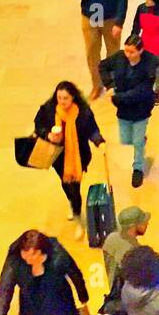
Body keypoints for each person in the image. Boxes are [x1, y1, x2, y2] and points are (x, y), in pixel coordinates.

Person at [33, 80, 105, 231]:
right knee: (66, 184)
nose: (62, 101)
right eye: (59, 98)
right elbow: (38, 125)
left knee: (74, 187)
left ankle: (77, 214)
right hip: (58, 156)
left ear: (73, 97)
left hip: (78, 155)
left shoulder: (83, 112)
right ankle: (73, 204)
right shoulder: (49, 109)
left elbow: (92, 129)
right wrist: (48, 134)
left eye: (65, 98)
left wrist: (99, 141)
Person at [68, 0, 128, 100]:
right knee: (92, 52)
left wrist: (119, 22)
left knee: (113, 53)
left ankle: (113, 84)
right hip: (91, 15)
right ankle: (97, 85)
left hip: (110, 17)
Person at [100, 34, 158, 189]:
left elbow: (141, 91)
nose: (128, 55)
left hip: (141, 108)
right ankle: (140, 139)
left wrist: (117, 96)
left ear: (141, 51)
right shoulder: (120, 58)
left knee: (137, 142)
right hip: (123, 109)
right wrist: (110, 85)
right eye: (126, 51)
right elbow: (103, 66)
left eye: (132, 52)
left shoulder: (150, 64)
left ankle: (138, 167)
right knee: (126, 139)